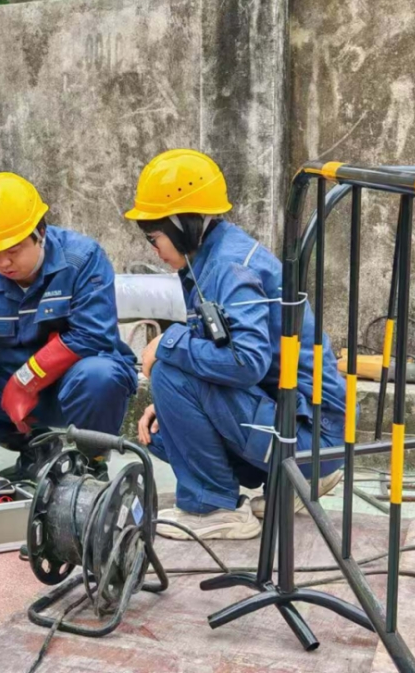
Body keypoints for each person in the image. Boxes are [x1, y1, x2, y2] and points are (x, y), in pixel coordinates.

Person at [125, 149, 345, 540]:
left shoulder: (229, 267)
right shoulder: (208, 258)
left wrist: (167, 343)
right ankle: (287, 482)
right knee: (164, 432)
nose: (154, 250)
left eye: (154, 238)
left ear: (181, 226)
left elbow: (246, 362)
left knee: (169, 371)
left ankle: (214, 508)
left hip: (314, 437)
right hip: (298, 420)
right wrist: (173, 406)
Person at [0, 172, 138, 482]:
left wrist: (24, 383)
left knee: (101, 377)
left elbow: (91, 336)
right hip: (12, 390)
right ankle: (36, 448)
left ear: (40, 232)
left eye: (13, 250)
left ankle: (91, 463)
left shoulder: (83, 259)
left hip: (74, 385)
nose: (3, 263)